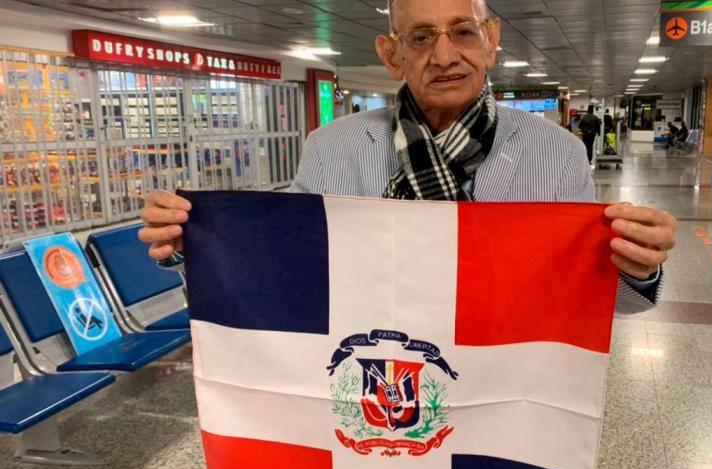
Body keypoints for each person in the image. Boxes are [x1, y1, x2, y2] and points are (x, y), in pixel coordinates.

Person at [138, 0, 677, 313]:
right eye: (421, 38)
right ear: (392, 55)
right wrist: (196, 243)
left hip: (504, 382)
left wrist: (638, 267)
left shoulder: (554, 152)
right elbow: (285, 266)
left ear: (491, 41)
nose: (445, 56)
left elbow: (595, 305)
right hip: (375, 376)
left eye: (463, 32)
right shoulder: (334, 148)